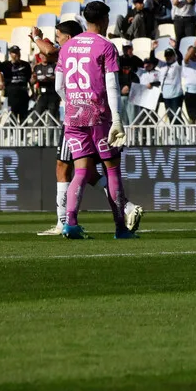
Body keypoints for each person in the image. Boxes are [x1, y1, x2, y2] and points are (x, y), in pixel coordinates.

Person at [39, 20, 139, 237]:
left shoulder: (66, 49)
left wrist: (73, 103)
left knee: (80, 171)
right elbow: (112, 85)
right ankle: (121, 227)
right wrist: (117, 120)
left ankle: (69, 224)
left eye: (58, 35)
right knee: (111, 170)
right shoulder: (104, 45)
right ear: (105, 18)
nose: (57, 39)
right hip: (99, 115)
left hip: (74, 117)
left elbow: (58, 85)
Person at [0, 45, 34, 122]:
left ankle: (22, 134)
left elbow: (29, 79)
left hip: (23, 94)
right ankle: (13, 133)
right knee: (12, 116)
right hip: (12, 95)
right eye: (14, 53)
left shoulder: (26, 64)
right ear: (10, 54)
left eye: (18, 52)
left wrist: (33, 92)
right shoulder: (6, 64)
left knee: (23, 118)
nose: (17, 54)